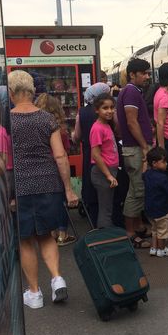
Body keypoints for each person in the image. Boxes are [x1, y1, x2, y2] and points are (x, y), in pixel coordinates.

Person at [8, 70, 78, 309]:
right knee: (47, 235)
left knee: (26, 240)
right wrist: (68, 189)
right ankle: (57, 278)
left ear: (10, 93)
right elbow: (60, 156)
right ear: (33, 91)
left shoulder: (7, 121)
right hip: (49, 183)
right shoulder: (47, 119)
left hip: (21, 186)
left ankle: (35, 293)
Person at [116, 59, 154, 248]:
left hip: (135, 147)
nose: (147, 77)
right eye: (144, 73)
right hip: (136, 149)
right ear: (133, 74)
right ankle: (130, 233)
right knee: (136, 191)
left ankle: (138, 225)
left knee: (137, 187)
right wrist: (144, 146)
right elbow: (132, 122)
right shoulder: (131, 92)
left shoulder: (130, 91)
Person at [34, 93, 76, 247]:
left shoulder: (35, 126)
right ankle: (62, 234)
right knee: (62, 200)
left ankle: (51, 233)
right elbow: (64, 152)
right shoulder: (60, 129)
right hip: (58, 168)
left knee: (47, 202)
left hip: (41, 168)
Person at [72, 82, 111, 226]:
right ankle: (108, 223)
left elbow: (77, 136)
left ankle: (95, 222)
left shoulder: (81, 112)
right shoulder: (109, 110)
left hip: (89, 154)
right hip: (108, 154)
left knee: (91, 186)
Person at [143, 147, 168, 257]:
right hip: (161, 210)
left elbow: (143, 173)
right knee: (162, 231)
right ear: (154, 163)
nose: (166, 164)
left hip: (149, 209)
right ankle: (162, 249)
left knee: (154, 229)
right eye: (163, 162)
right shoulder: (162, 178)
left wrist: (144, 162)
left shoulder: (147, 175)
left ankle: (154, 248)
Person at [90, 93, 119, 228]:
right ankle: (105, 240)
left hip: (108, 171)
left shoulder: (106, 125)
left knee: (108, 207)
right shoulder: (97, 128)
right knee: (105, 210)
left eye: (112, 107)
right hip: (103, 173)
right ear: (97, 110)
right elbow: (95, 155)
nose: (110, 111)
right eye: (105, 108)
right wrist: (108, 175)